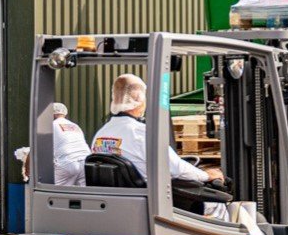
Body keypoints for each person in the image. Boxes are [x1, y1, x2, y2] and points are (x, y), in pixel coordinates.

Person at [90, 74, 225, 190]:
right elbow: (177, 169)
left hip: (122, 199)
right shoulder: (142, 134)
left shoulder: (101, 134)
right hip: (150, 199)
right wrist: (207, 175)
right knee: (216, 204)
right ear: (139, 100)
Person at [49, 102, 89, 187]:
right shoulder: (75, 126)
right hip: (85, 162)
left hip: (66, 163)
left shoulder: (51, 125)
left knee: (56, 195)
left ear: (51, 114)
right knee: (84, 196)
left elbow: (39, 147)